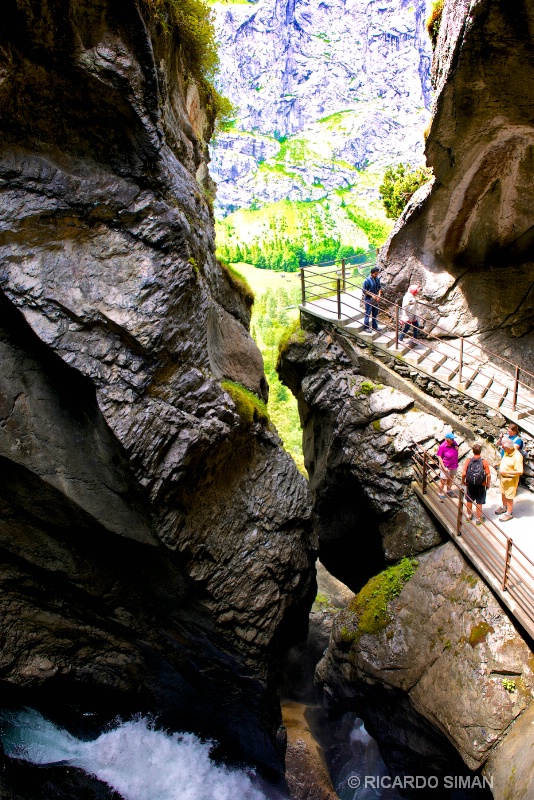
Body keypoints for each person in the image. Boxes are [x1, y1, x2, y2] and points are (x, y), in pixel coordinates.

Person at [495, 437, 524, 521]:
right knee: (503, 493)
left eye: (503, 447)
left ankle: (509, 513)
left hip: (510, 480)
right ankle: (504, 507)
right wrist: (498, 463)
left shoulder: (517, 457)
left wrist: (507, 473)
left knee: (509, 497)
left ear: (508, 448)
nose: (502, 449)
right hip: (503, 478)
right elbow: (505, 460)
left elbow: (520, 471)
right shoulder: (507, 451)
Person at [462, 443, 491, 525]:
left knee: (469, 499)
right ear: (480, 451)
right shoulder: (484, 462)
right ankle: (478, 519)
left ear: (473, 451)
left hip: (470, 484)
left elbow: (464, 473)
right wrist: (488, 484)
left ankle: (469, 515)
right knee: (479, 502)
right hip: (481, 484)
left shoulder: (468, 460)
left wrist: (463, 481)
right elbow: (488, 475)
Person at [436, 432, 459, 501]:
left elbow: (457, 448)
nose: (453, 440)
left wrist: (457, 448)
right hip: (446, 466)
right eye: (452, 439)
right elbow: (439, 456)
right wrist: (443, 467)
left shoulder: (454, 443)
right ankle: (439, 494)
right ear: (448, 440)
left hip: (454, 465)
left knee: (451, 478)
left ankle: (448, 491)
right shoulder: (442, 446)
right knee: (443, 481)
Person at [362, 267, 382, 331]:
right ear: (371, 273)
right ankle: (366, 327)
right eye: (375, 274)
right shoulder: (367, 280)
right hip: (369, 299)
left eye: (377, 274)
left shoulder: (377, 279)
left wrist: (379, 296)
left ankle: (375, 326)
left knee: (375, 313)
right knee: (368, 313)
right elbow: (364, 290)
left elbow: (379, 288)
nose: (376, 275)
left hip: (375, 299)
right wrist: (371, 295)